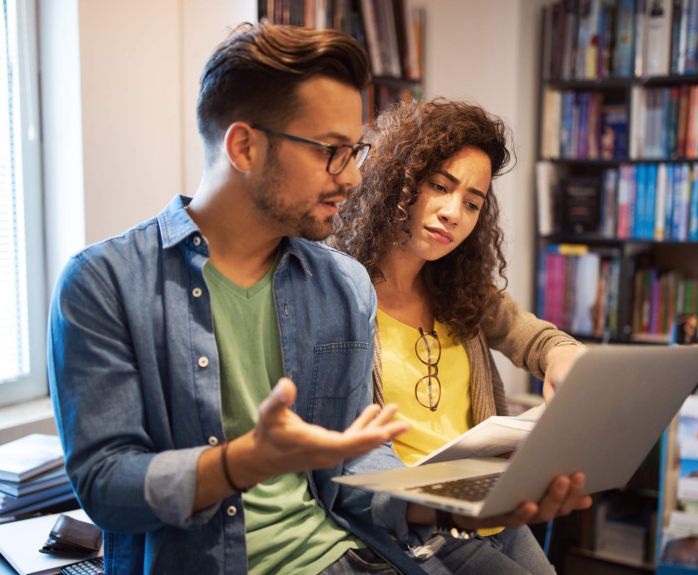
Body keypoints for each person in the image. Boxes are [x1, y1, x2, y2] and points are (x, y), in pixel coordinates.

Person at [48, 23, 588, 575]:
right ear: (244, 146)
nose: (354, 177)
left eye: (356, 151)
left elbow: (353, 462)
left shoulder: (340, 284)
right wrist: (240, 463)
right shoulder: (102, 285)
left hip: (347, 557)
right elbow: (105, 487)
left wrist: (448, 506)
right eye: (332, 151)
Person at [333, 98, 589, 572]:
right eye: (439, 186)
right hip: (414, 518)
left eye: (472, 203)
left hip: (488, 501)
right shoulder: (340, 292)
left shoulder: (459, 288)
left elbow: (533, 338)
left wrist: (562, 355)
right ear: (397, 181)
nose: (454, 212)